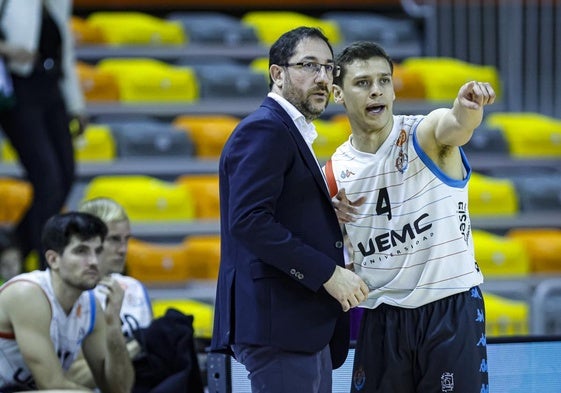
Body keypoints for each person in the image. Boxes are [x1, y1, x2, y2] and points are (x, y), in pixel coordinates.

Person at [324, 41, 496, 392]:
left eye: (384, 80)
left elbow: (455, 126)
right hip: (382, 318)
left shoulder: (424, 134)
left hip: (449, 307)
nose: (376, 90)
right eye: (362, 83)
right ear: (337, 94)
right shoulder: (332, 173)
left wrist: (468, 110)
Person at [210, 26, 369, 393]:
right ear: (277, 74)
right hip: (279, 322)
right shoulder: (265, 129)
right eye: (309, 66)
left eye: (329, 68)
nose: (323, 78)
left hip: (297, 324)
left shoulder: (286, 129)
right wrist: (329, 274)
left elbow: (273, 210)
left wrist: (324, 212)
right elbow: (249, 221)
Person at [0, 212, 134, 392]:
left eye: (98, 251)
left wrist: (113, 326)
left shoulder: (91, 305)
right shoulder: (27, 293)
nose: (94, 261)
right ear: (53, 259)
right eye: (81, 251)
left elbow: (119, 389)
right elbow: (51, 385)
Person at [0, 0, 87, 269]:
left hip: (51, 87)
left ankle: (13, 248)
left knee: (66, 174)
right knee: (48, 180)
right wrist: (6, 49)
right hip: (18, 89)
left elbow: (66, 49)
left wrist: (76, 104)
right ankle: (44, 267)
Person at [65, 197, 152, 388]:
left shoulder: (135, 289)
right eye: (114, 239)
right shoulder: (68, 293)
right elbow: (66, 378)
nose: (123, 249)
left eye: (126, 239)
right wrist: (135, 347)